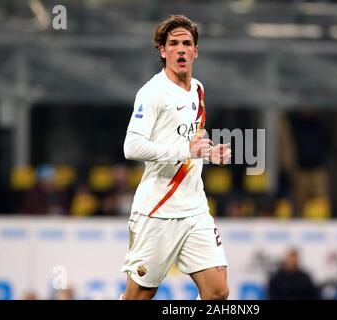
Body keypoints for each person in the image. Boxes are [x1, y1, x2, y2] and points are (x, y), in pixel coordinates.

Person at [119, 15, 231, 300]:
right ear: (162, 50)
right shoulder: (152, 93)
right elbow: (131, 147)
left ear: (196, 51)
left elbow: (190, 140)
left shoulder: (198, 89)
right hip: (157, 210)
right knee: (140, 296)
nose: (180, 49)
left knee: (218, 292)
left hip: (194, 209)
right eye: (173, 44)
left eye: (186, 43)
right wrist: (186, 152)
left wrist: (209, 151)